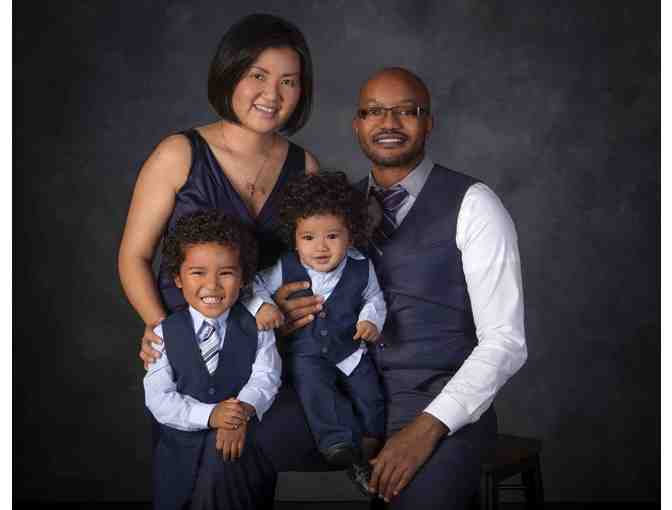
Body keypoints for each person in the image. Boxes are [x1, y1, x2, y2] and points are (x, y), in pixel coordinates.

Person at [118, 13, 320, 368]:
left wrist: (289, 311)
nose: (272, 94)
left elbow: (316, 262)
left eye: (288, 81)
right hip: (190, 353)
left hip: (269, 356)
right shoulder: (178, 154)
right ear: (230, 73)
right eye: (258, 75)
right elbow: (134, 257)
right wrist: (167, 331)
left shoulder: (305, 167)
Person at [246, 171, 387, 494]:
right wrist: (263, 307)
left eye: (332, 236)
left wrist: (370, 321)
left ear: (350, 236)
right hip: (306, 351)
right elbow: (253, 287)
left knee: (371, 393)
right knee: (316, 390)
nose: (320, 247)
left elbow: (374, 298)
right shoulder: (285, 266)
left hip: (349, 348)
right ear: (295, 239)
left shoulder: (361, 266)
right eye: (308, 237)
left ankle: (370, 442)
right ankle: (336, 442)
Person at [144, 210, 281, 510]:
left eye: (226, 273)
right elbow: (158, 397)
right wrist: (211, 415)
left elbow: (266, 377)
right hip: (179, 460)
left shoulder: (258, 327)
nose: (213, 285)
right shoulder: (163, 333)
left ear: (243, 278)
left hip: (240, 458)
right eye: (198, 273)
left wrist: (238, 414)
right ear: (178, 278)